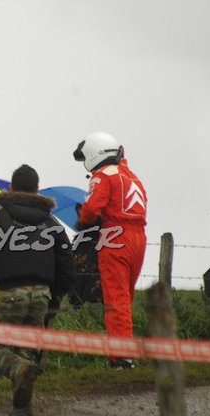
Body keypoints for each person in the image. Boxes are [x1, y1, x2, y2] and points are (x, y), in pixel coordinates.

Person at [0, 164, 75, 416]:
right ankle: (22, 410)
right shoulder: (51, 221)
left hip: (6, 292)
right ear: (37, 189)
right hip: (40, 294)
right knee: (27, 352)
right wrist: (56, 295)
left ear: (12, 188)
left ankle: (18, 374)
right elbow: (66, 261)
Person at [73, 132, 147, 369]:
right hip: (138, 238)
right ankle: (126, 350)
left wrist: (83, 221)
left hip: (115, 237)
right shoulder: (133, 177)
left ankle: (121, 357)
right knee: (126, 297)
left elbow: (92, 208)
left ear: (95, 153)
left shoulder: (103, 175)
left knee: (116, 299)